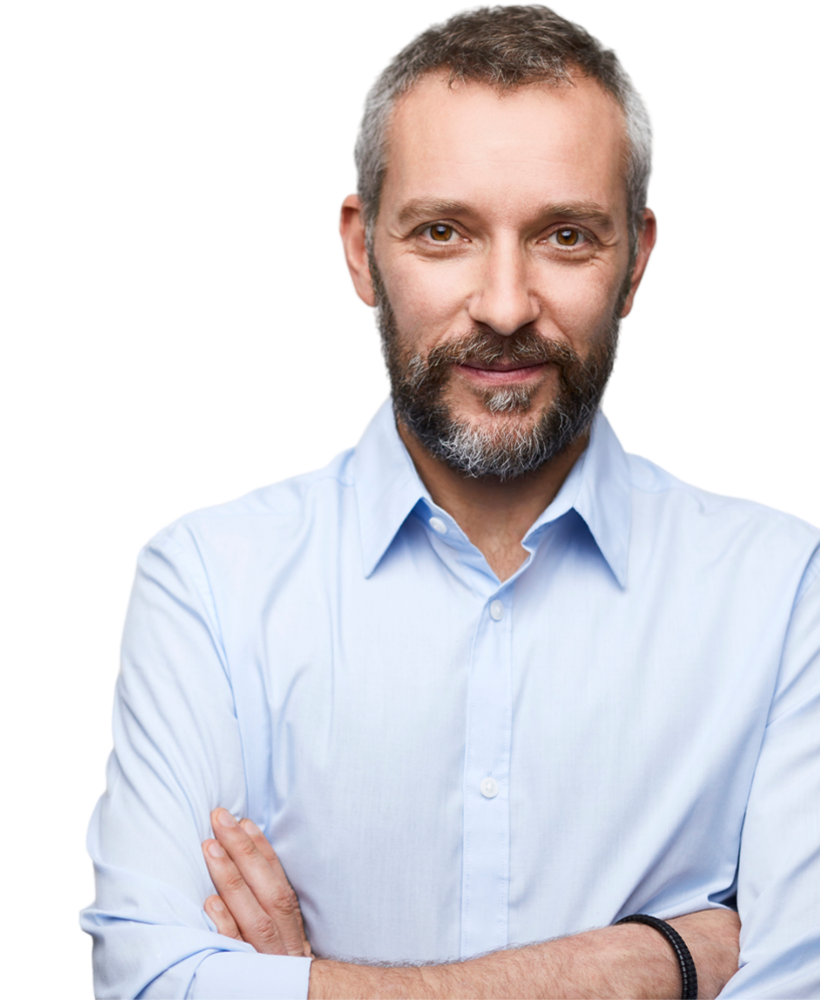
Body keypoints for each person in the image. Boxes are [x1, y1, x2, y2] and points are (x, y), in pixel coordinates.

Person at [79, 7, 820, 999]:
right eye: (443, 232)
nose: (505, 305)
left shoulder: (785, 596)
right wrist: (640, 965)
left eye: (565, 235)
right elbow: (143, 981)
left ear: (636, 259)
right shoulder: (211, 588)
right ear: (358, 250)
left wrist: (305, 982)